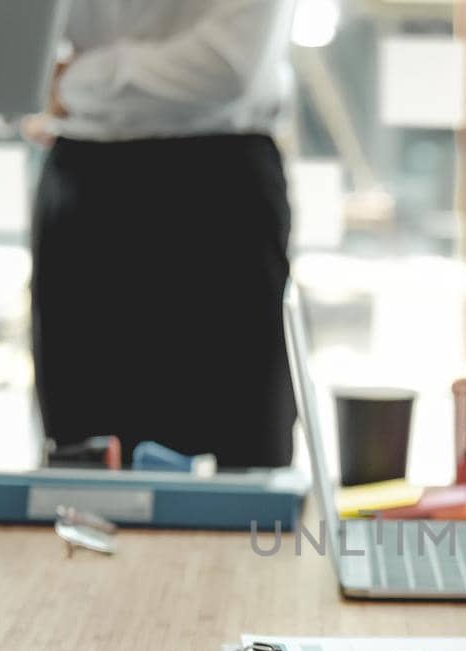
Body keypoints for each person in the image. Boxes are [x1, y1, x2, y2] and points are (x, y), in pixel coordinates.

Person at [29, 0, 300, 470]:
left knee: (243, 464)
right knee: (84, 462)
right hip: (83, 181)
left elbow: (227, 67)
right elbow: (13, 53)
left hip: (219, 188)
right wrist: (46, 84)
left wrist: (70, 82)